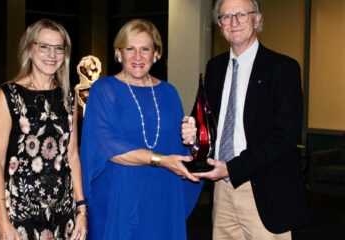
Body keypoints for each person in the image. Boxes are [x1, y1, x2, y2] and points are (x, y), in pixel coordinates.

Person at [181, 0, 310, 239]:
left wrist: (232, 168)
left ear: (257, 18)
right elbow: (206, 124)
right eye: (226, 16)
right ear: (219, 25)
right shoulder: (215, 68)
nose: (234, 22)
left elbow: (284, 137)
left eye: (242, 14)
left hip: (265, 192)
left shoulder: (283, 68)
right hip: (221, 192)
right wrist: (192, 132)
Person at [80, 19, 203, 240]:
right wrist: (161, 160)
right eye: (130, 49)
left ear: (156, 53)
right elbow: (106, 144)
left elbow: (181, 149)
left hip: (161, 196)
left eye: (145, 49)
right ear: (119, 53)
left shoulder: (169, 93)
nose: (137, 57)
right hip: (118, 199)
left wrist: (193, 139)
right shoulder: (103, 89)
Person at [0, 19, 87, 240]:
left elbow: (72, 157)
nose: (51, 55)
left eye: (58, 48)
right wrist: (0, 218)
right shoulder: (8, 96)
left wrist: (81, 210)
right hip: (21, 213)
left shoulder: (68, 97)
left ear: (65, 53)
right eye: (44, 46)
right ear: (30, 49)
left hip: (64, 212)